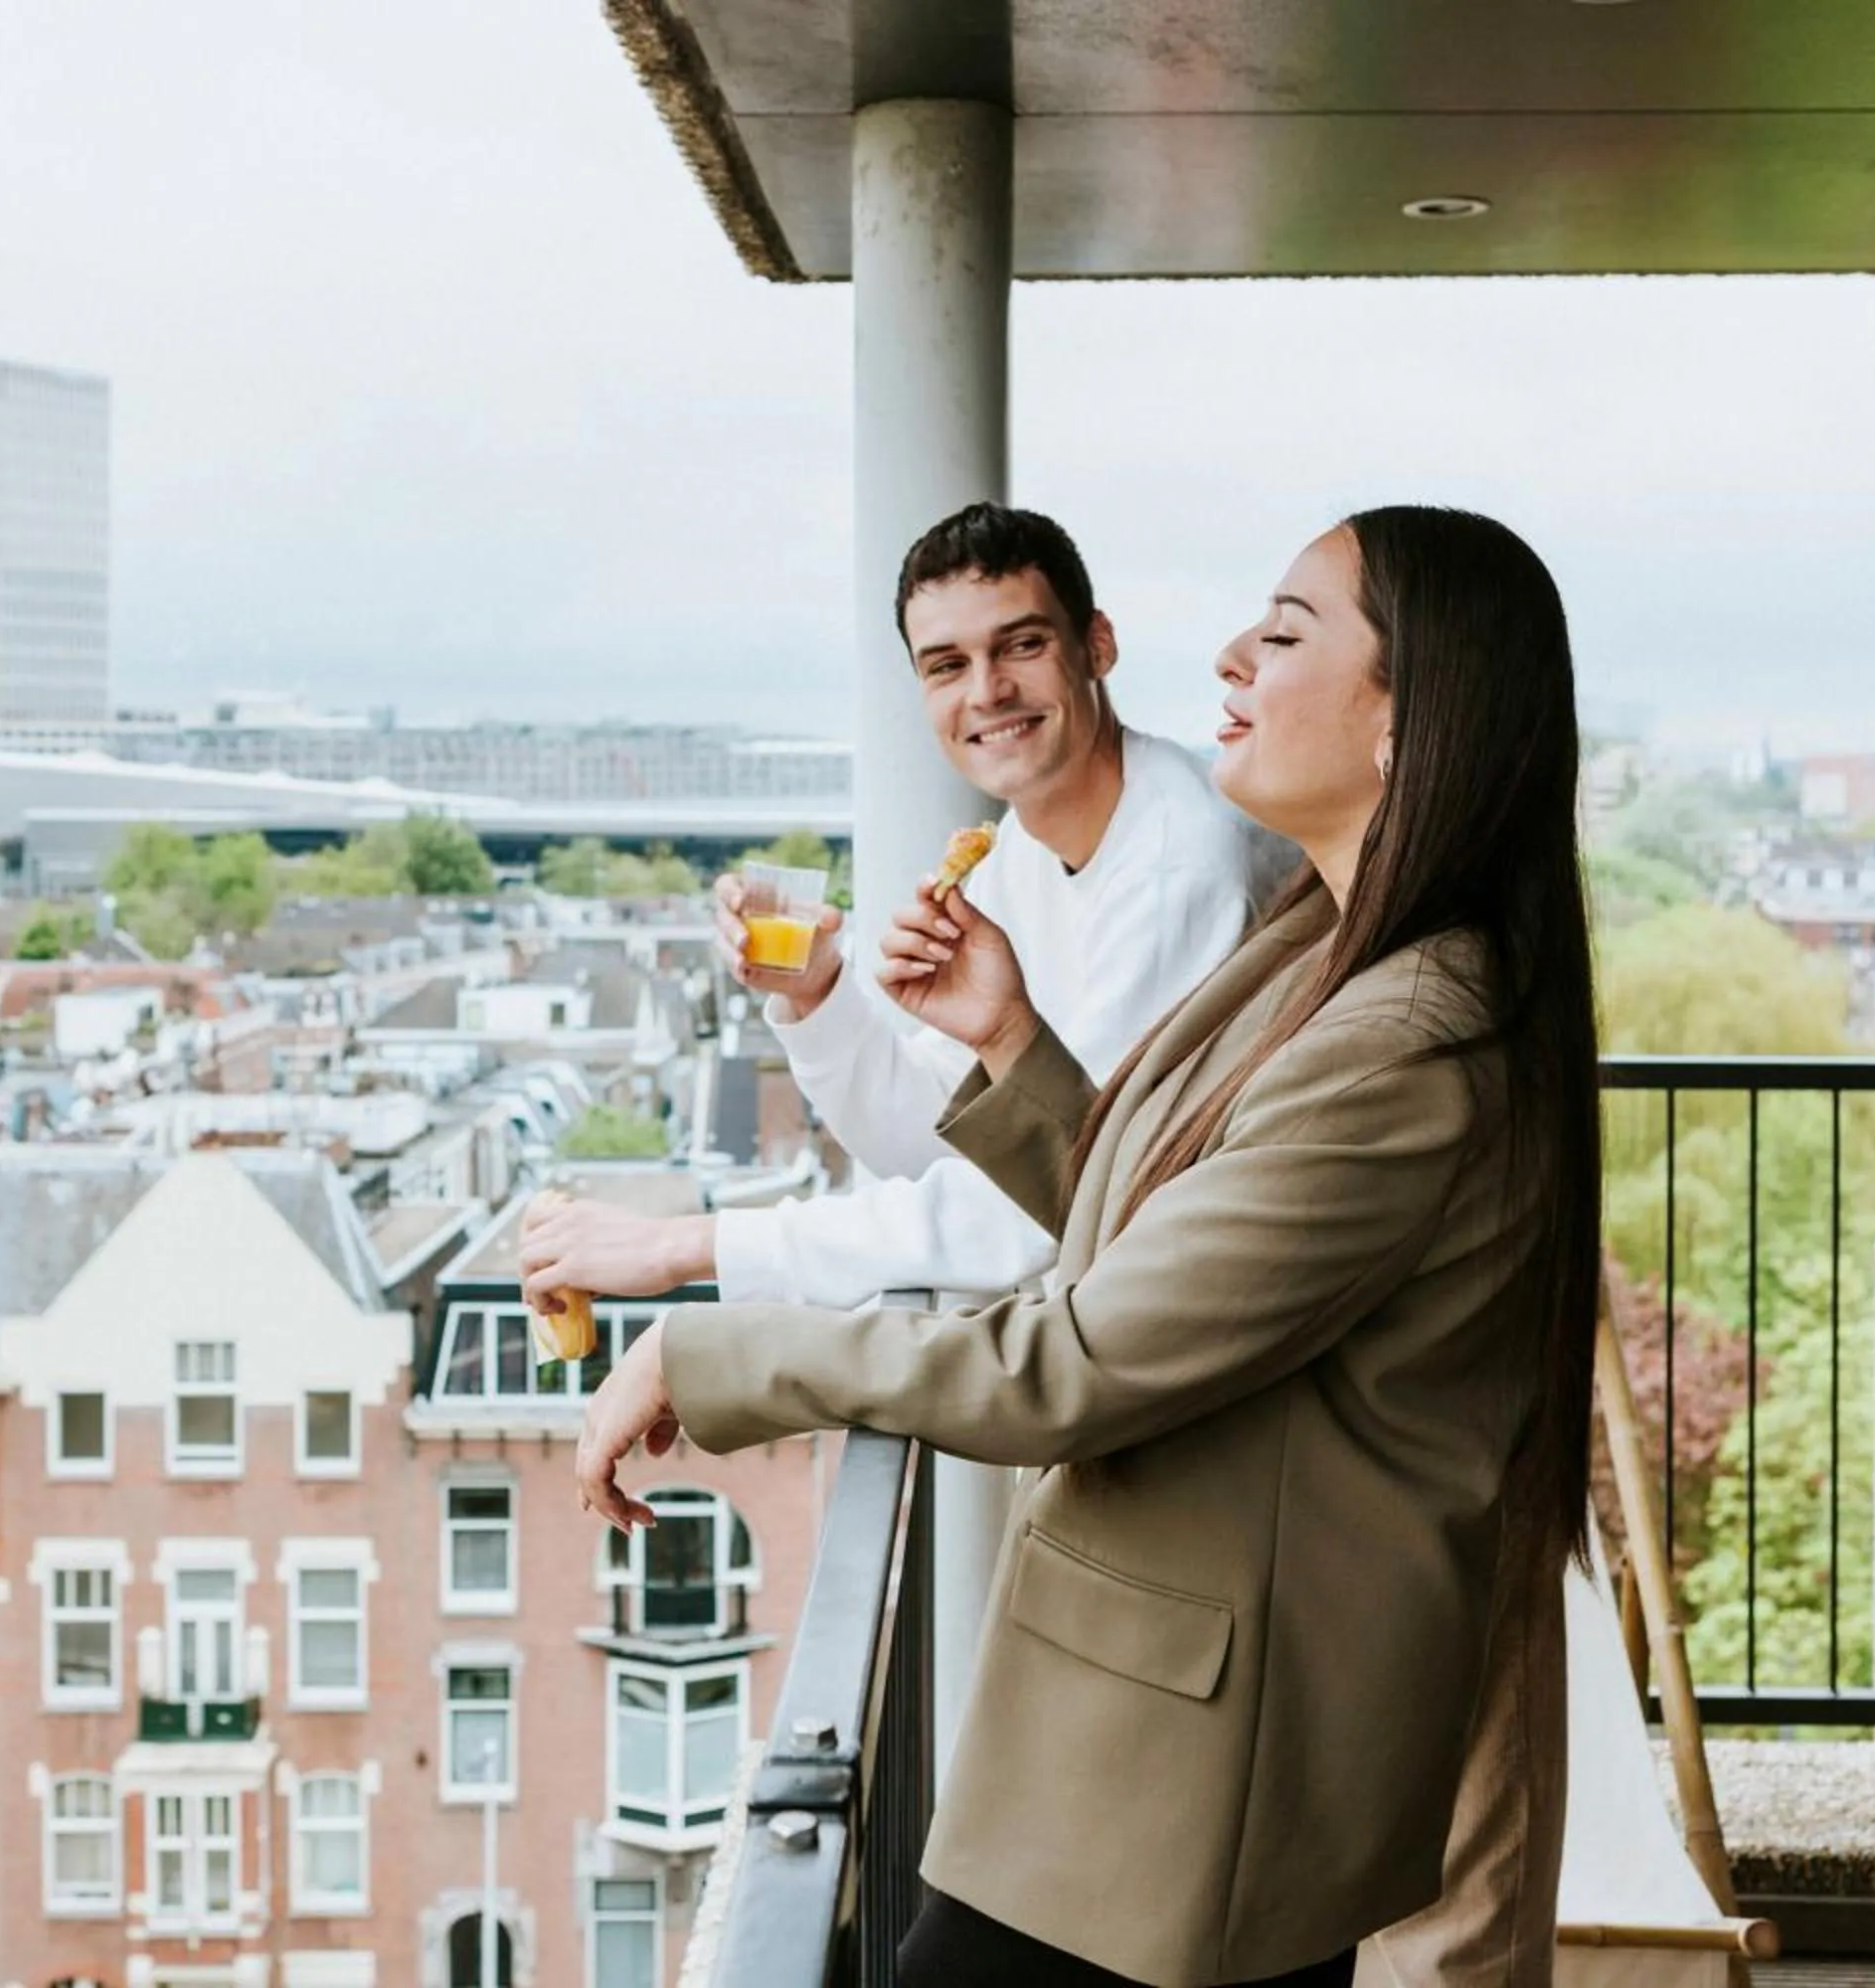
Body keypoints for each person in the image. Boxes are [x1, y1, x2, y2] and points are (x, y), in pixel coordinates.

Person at [550, 507, 1604, 1988]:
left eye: (1288, 632)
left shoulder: (1401, 1034)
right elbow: (1181, 1233)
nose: (1233, 654)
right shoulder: (1327, 947)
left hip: (1183, 1770)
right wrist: (1009, 1040)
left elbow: (1087, 1355)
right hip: (1171, 1740)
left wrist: (714, 1340)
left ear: (1406, 721)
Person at [520, 500, 1299, 1313]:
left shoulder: (1179, 863)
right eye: (946, 665)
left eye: (1021, 645)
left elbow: (1044, 1203)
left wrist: (688, 1244)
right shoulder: (1020, 850)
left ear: (1096, 645)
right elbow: (930, 1140)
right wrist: (815, 993)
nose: (988, 691)